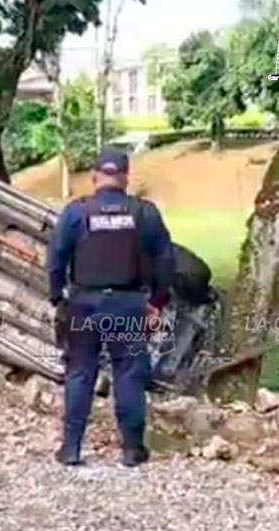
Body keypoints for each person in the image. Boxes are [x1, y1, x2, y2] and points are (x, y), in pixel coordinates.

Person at [46, 148, 174, 468]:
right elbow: (165, 261)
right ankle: (132, 449)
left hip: (83, 304)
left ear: (94, 176)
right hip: (128, 305)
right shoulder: (144, 213)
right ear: (126, 176)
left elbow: (55, 260)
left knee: (80, 372)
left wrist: (58, 298)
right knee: (128, 374)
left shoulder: (76, 212)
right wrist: (157, 302)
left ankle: (72, 447)